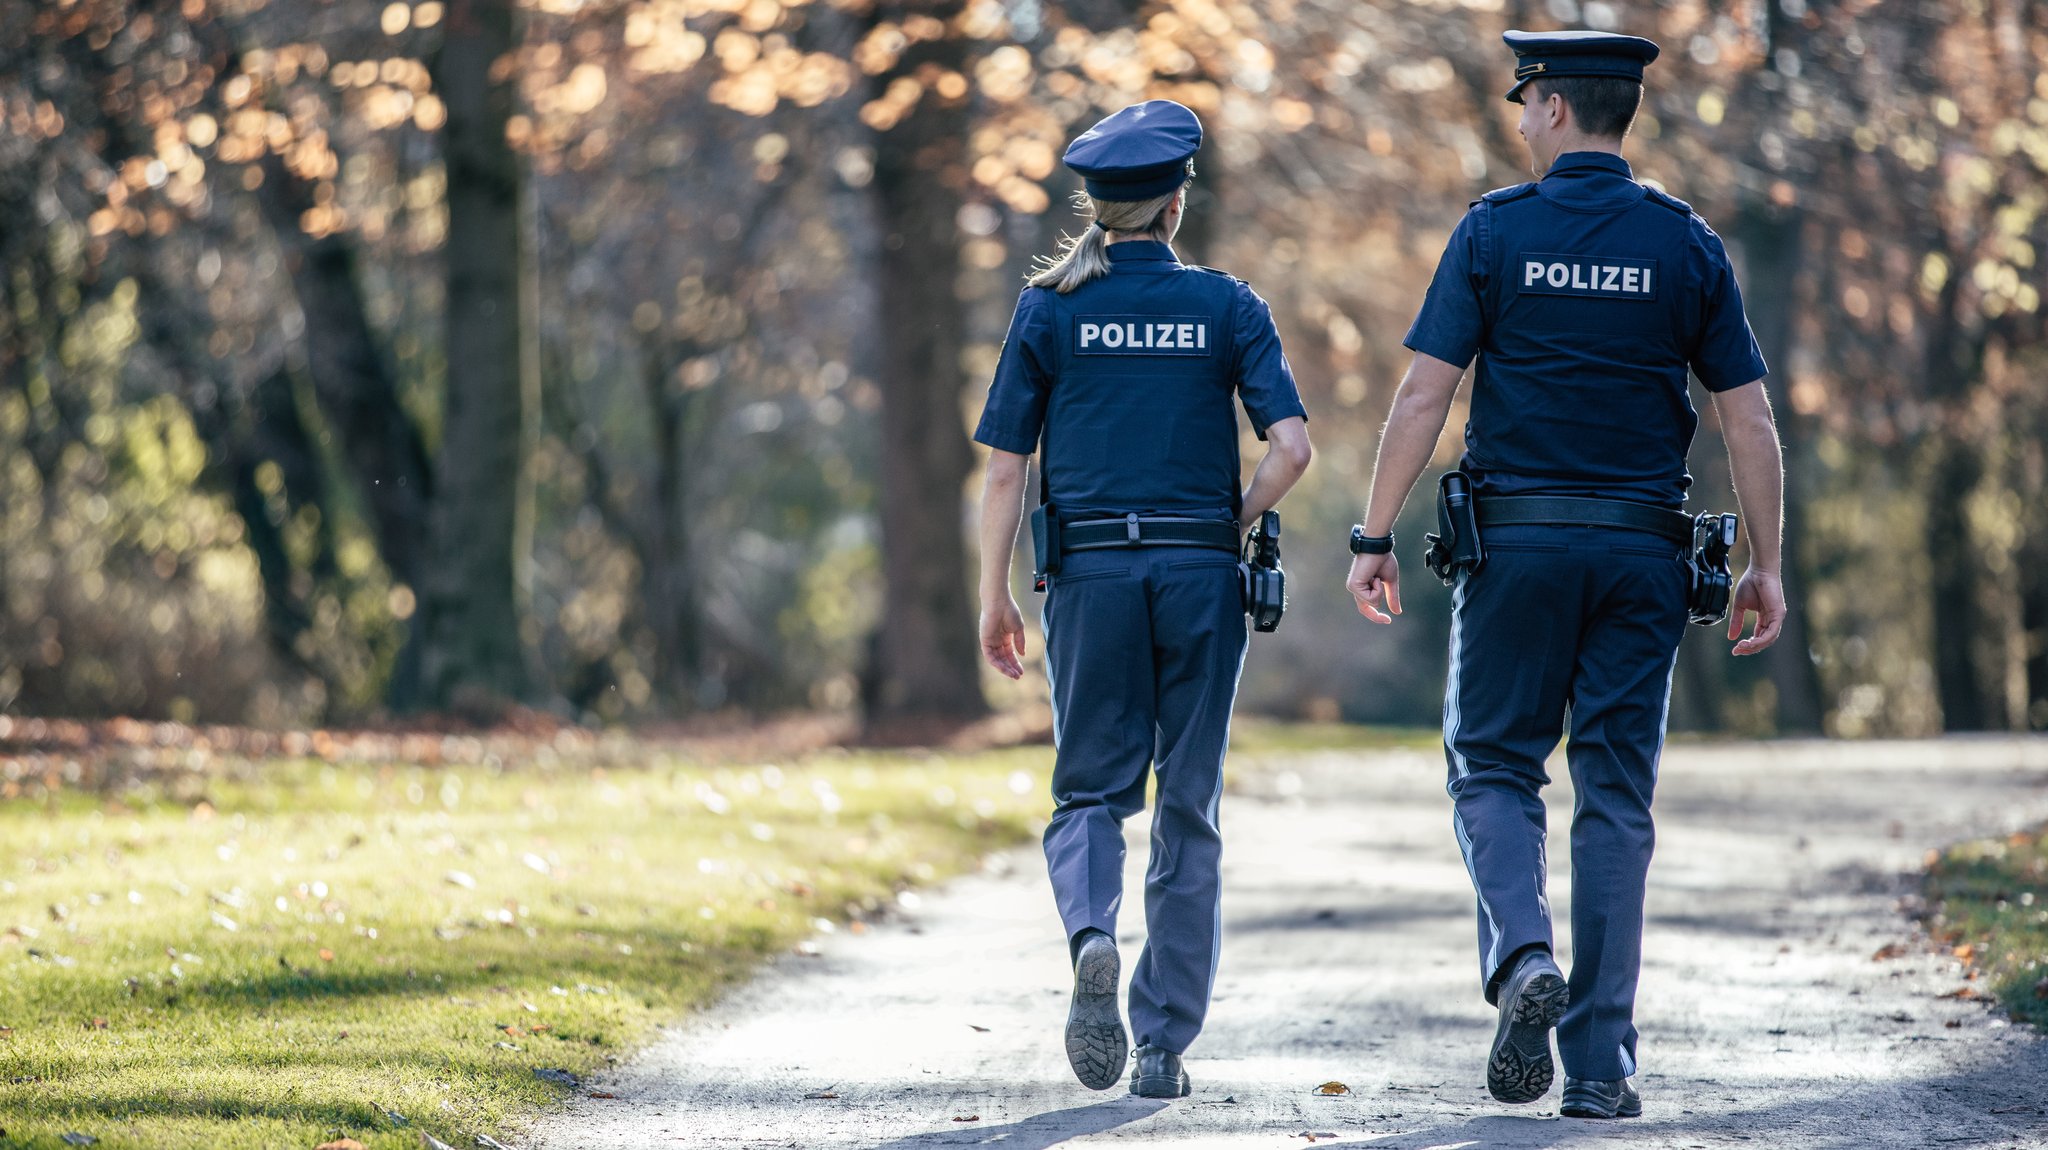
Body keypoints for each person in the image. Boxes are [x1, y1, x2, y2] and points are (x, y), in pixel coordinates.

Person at [1341, 30, 1787, 1119]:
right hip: (1642, 553)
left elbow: (1420, 397)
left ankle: (1522, 959)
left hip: (1516, 547)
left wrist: (1372, 532)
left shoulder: (1494, 232)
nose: (1516, 116)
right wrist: (1766, 565)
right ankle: (1598, 1063)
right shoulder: (1683, 243)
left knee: (1491, 763)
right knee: (1614, 796)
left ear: (1548, 108)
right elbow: (1747, 418)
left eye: (1521, 99)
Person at [972, 99, 1312, 1099]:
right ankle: (1161, 1045)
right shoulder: (1227, 305)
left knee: (1088, 791)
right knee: (1187, 803)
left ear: (1097, 203)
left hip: (1089, 579)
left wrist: (993, 595)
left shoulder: (1048, 308)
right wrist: (1234, 518)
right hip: (1199, 575)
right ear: (1174, 203)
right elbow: (1290, 449)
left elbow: (1004, 471)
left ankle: (1090, 935)